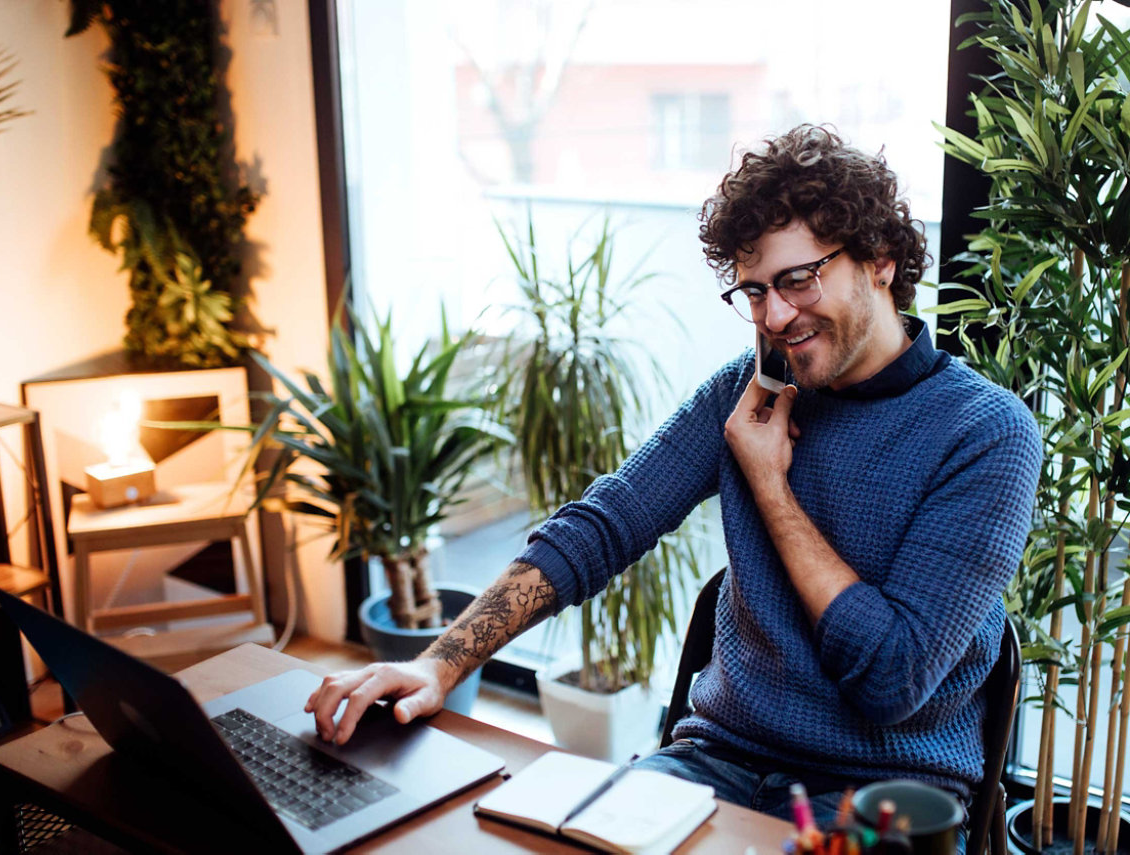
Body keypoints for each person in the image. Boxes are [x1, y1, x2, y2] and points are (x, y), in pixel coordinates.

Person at [304, 125, 1042, 842]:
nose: (776, 316)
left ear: (879, 259)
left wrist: (771, 487)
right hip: (711, 763)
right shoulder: (746, 394)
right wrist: (440, 660)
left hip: (880, 801)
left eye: (797, 278)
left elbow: (889, 677)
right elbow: (604, 524)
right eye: (753, 291)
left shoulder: (985, 431)